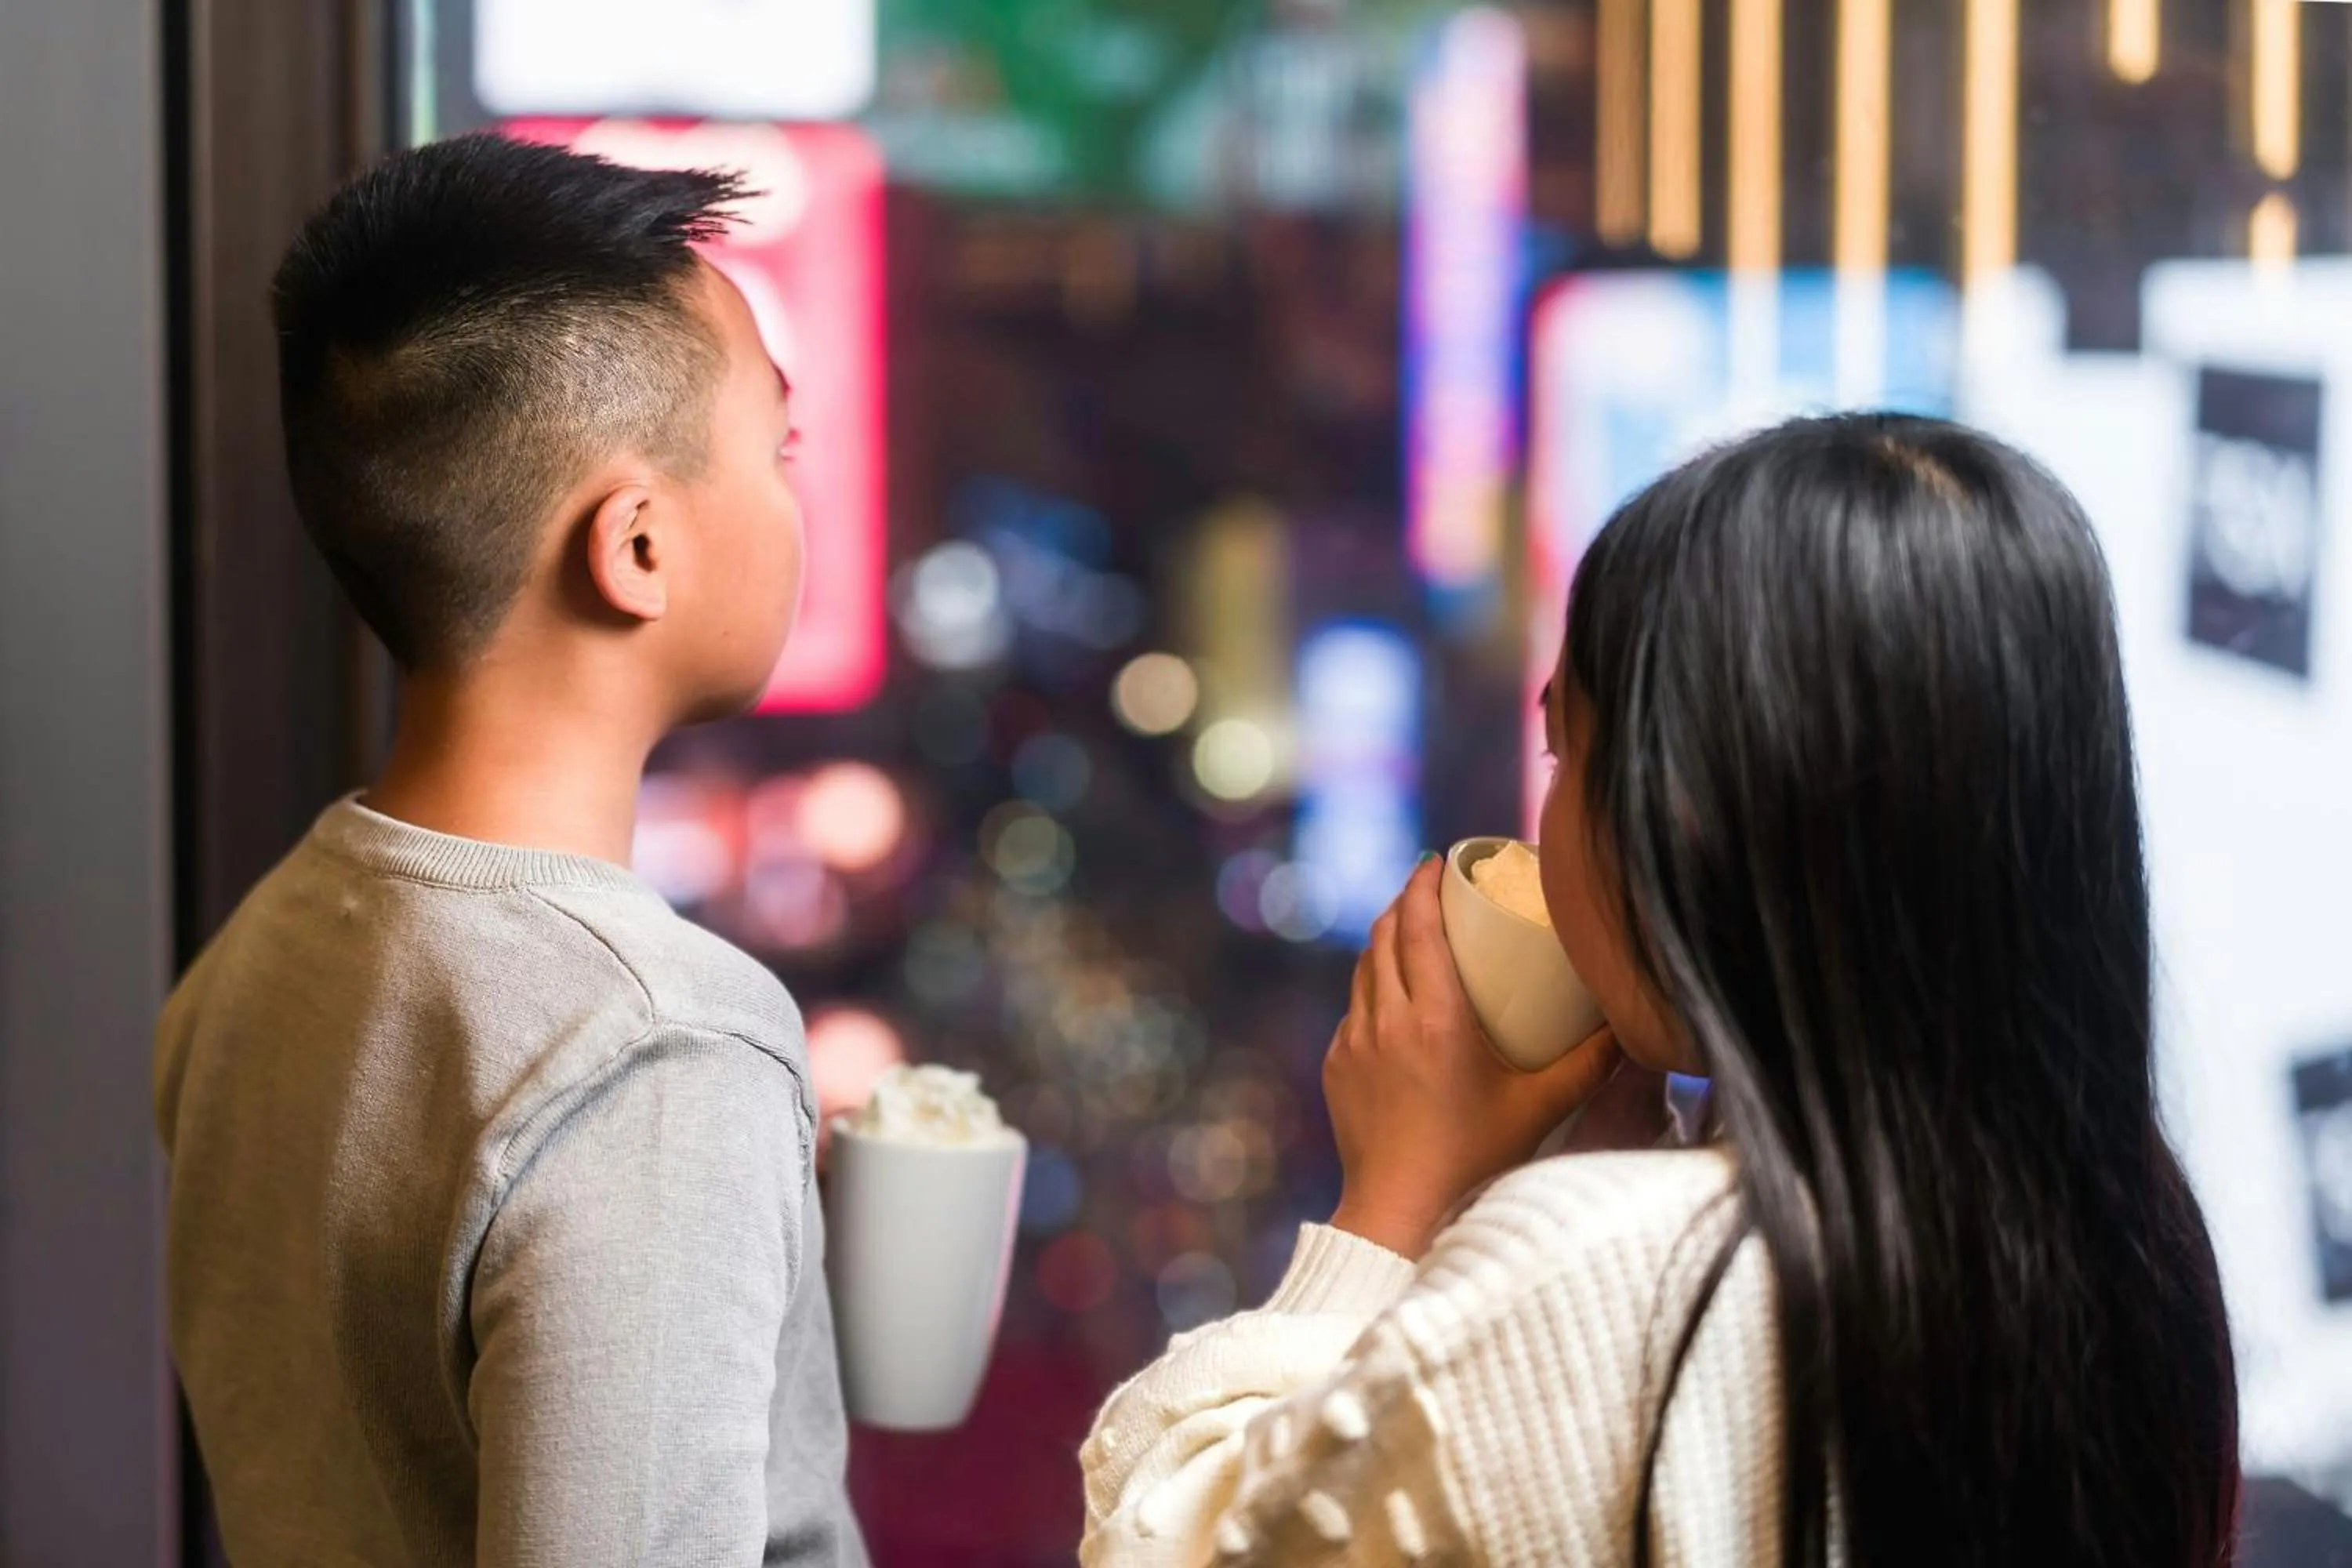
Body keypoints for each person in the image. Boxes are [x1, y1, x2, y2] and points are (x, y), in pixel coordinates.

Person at [1081, 415, 2241, 1566]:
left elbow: (1171, 1544)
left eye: (1566, 751)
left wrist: (1392, 1205)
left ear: (1679, 814)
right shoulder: (2137, 1244)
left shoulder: (1610, 1265)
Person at [154, 134, 864, 1566]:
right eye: (777, 448)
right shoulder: (660, 1050)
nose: (798, 496)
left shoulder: (263, 951)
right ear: (639, 548)